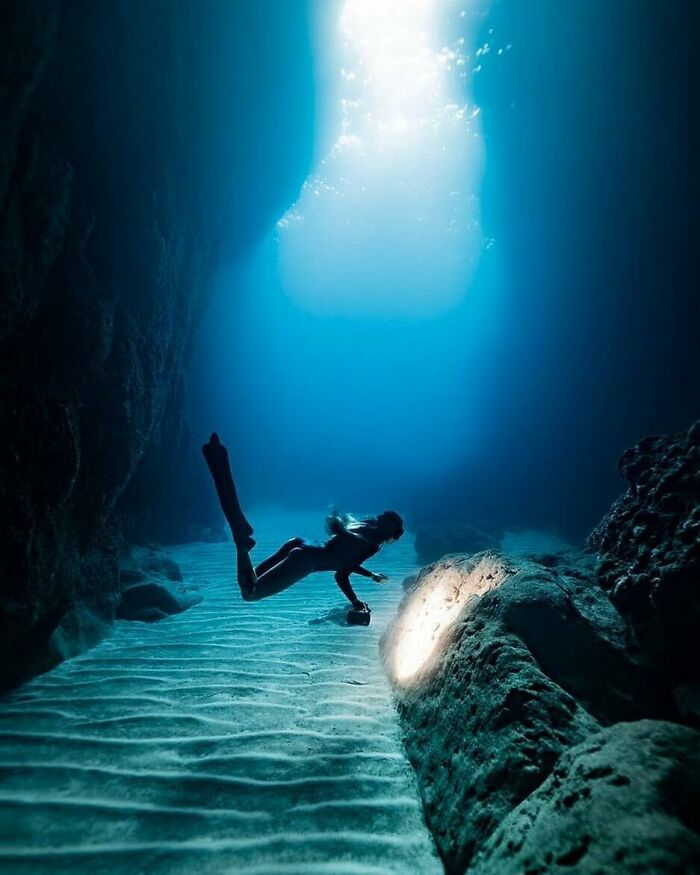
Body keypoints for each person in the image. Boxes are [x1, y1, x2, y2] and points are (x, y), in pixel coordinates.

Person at [202, 433, 404, 613]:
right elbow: (342, 575)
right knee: (250, 594)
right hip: (306, 560)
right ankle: (241, 542)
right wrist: (355, 601)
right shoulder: (373, 544)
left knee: (253, 578)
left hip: (302, 543)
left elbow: (345, 561)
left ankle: (217, 457)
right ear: (390, 534)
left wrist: (370, 575)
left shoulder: (364, 525)